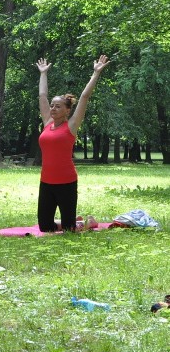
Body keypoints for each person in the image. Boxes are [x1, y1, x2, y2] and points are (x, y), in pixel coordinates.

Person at [35, 55, 110, 232]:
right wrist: (43, 73)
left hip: (66, 182)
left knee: (69, 229)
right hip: (46, 181)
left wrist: (96, 73)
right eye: (52, 106)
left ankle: (85, 223)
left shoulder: (71, 125)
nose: (53, 108)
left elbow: (84, 97)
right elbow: (42, 95)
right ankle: (74, 221)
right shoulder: (47, 122)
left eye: (58, 106)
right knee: (45, 227)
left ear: (67, 110)